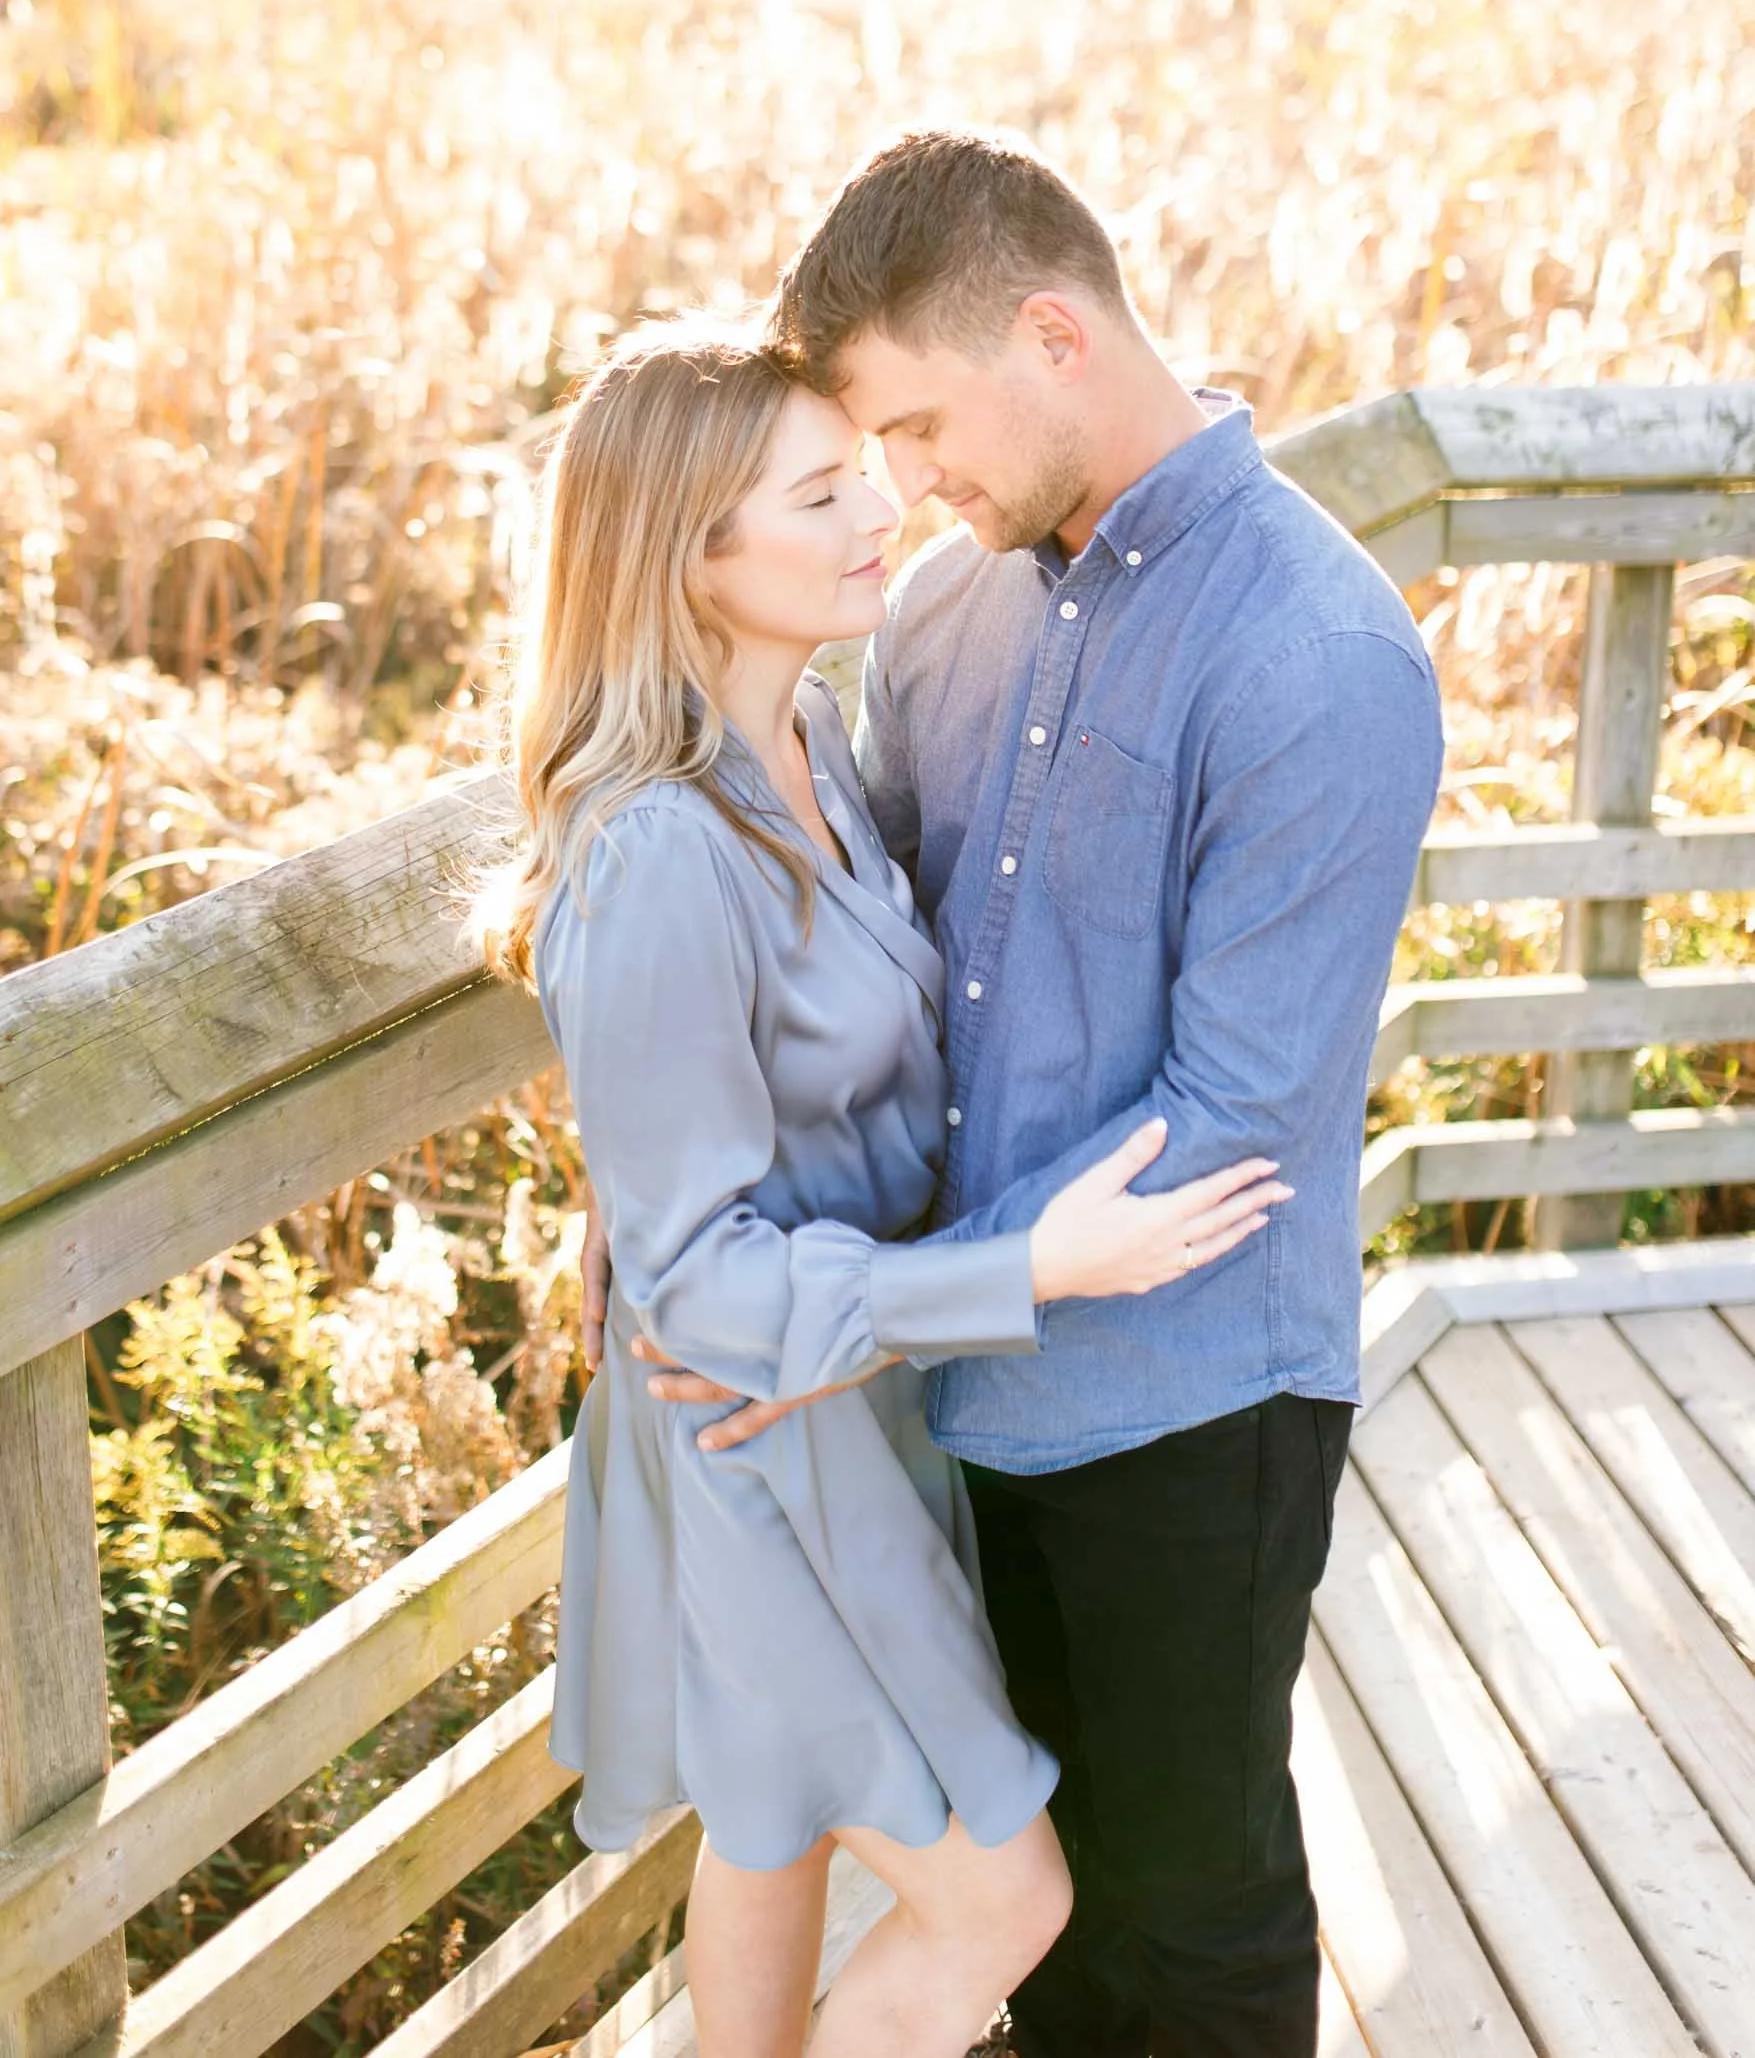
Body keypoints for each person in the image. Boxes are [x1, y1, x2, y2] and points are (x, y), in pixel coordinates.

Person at [633, 133, 1447, 2058]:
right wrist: (681, 1168)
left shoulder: (1318, 657)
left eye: (916, 428)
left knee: (1193, 1905)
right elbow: (856, 959)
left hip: (1189, 1399)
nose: (907, 490)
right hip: (946, 1393)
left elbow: (1228, 1123)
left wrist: (841, 1322)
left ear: (1053, 334)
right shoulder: (942, 615)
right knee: (1042, 1919)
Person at [472, 322, 1293, 2058]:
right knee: (1012, 1902)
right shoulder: (654, 849)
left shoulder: (816, 751)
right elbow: (693, 1289)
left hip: (849, 1405)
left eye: (868, 473)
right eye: (823, 492)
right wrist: (1035, 1270)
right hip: (761, 1443)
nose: (881, 513)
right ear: (688, 558)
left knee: (767, 1838)